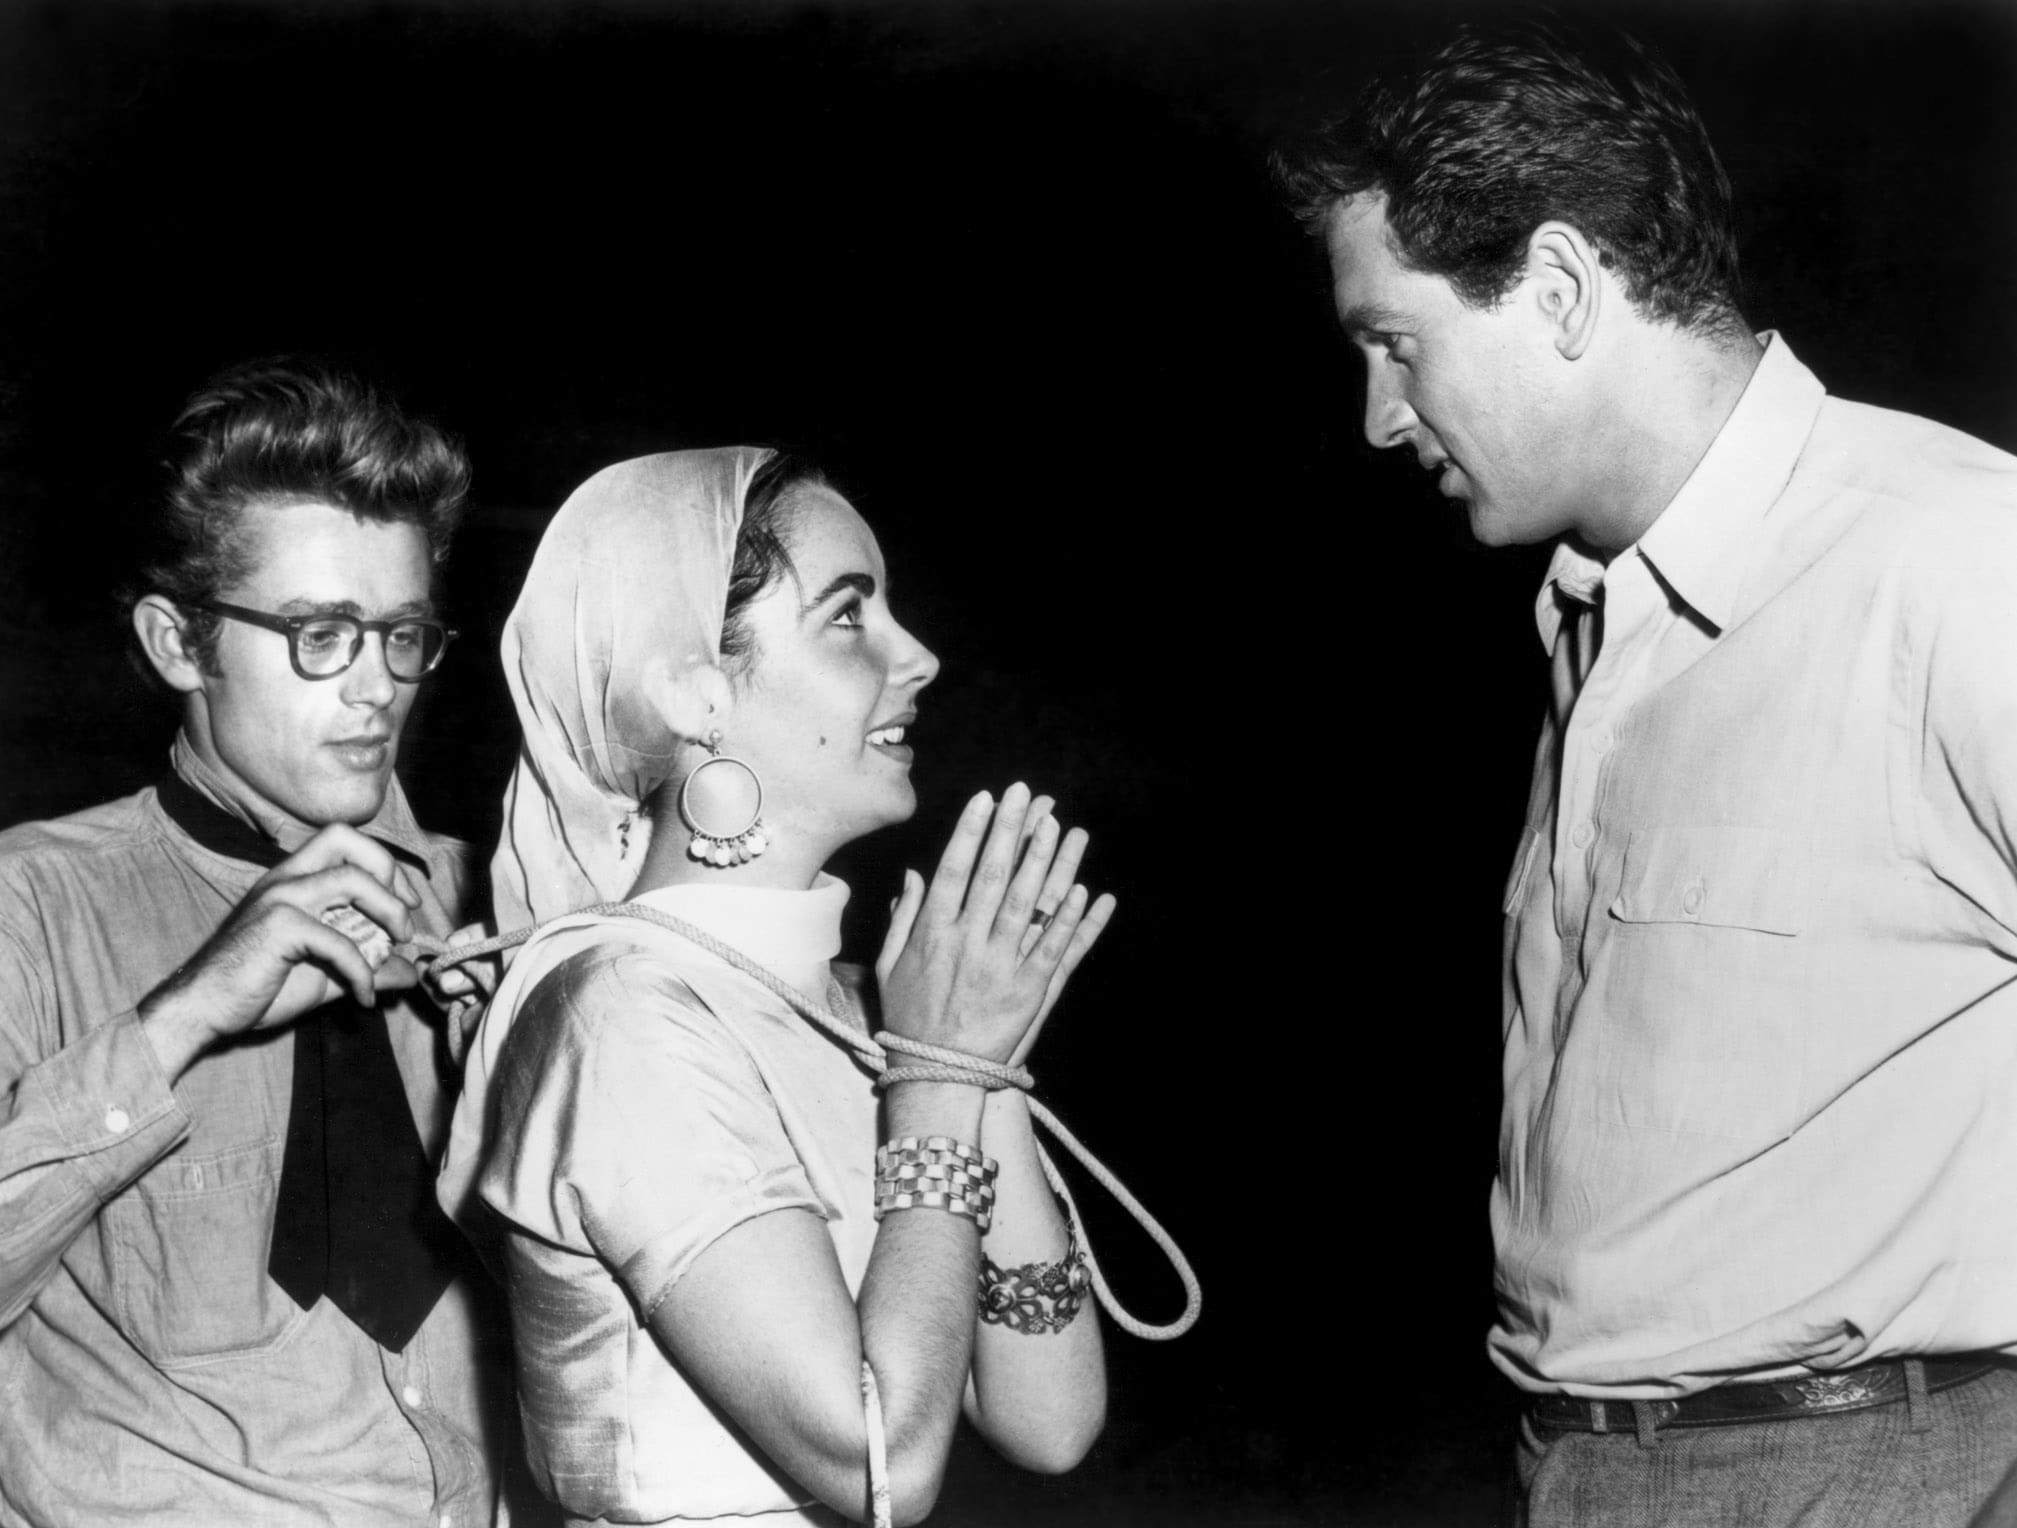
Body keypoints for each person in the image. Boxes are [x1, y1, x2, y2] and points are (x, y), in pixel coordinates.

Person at [1274, 20, 2017, 1528]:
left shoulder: (1951, 562)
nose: (1378, 418)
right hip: (1586, 1470)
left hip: (1883, 1469)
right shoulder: (1592, 616)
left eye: (1393, 342)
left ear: (1556, 289)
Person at [437, 448, 1110, 1526]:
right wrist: (939, 1074)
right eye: (850, 616)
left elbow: (1050, 1419)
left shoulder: (850, 999)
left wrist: (979, 1056)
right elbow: (879, 1463)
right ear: (695, 690)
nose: (920, 655)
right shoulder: (618, 1013)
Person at [0, 358, 517, 1525]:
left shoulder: (486, 898)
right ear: (180, 645)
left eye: (402, 634)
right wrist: (183, 1014)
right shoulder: (30, 903)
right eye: (321, 634)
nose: (378, 687)